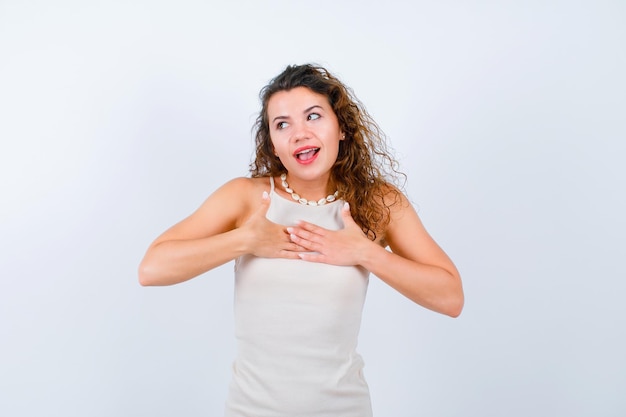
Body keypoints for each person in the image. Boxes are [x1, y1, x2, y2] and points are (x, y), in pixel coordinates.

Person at [138, 64, 464, 416]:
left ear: (341, 128)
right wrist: (244, 239)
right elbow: (152, 269)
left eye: (313, 116)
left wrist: (366, 253)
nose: (299, 133)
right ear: (274, 145)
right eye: (282, 124)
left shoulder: (377, 203)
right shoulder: (247, 198)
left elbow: (450, 298)